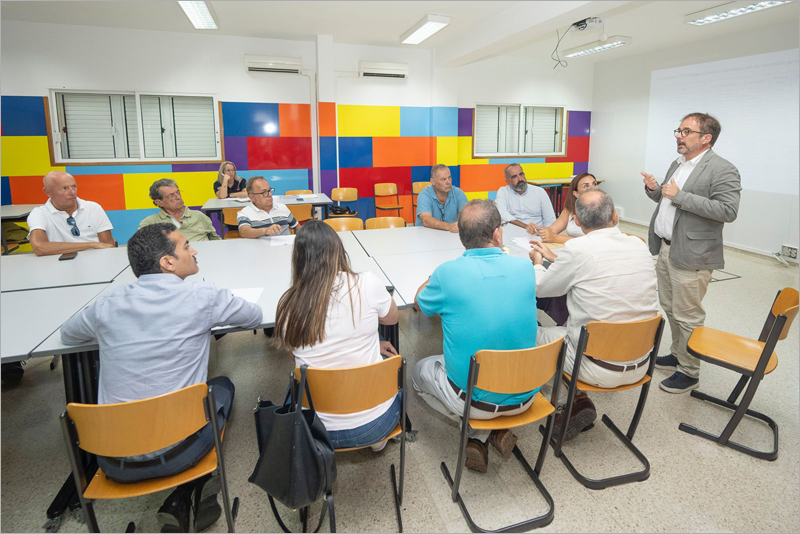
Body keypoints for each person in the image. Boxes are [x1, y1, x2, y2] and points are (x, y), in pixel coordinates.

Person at [60, 223, 262, 533]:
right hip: (180, 453)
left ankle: (184, 497)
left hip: (113, 461)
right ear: (167, 262)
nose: (193, 249)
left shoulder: (107, 303)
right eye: (185, 246)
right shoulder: (202, 296)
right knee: (222, 386)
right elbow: (254, 317)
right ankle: (188, 490)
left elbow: (69, 333)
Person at [413, 199, 538, 473]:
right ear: (497, 234)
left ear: (462, 237)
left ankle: (475, 431)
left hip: (475, 401)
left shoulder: (448, 274)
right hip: (527, 395)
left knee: (418, 371)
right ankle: (494, 432)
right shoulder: (525, 268)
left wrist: (432, 277)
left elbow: (419, 304)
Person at [531, 190, 658, 440]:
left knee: (532, 335)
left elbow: (541, 288)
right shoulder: (639, 245)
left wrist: (537, 261)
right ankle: (577, 398)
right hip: (642, 362)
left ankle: (566, 403)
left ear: (576, 221)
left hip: (597, 366)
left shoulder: (578, 248)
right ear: (615, 216)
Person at [273, 220, 401, 450]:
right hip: (375, 424)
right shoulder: (368, 282)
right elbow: (392, 319)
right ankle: (377, 442)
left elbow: (296, 357)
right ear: (339, 248)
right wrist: (370, 340)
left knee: (296, 379)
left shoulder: (288, 303)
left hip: (313, 428)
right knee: (396, 374)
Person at [642, 112, 741, 394]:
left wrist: (680, 195)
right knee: (671, 308)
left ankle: (690, 372)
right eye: (679, 130)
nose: (678, 136)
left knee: (688, 315)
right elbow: (668, 199)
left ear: (706, 138)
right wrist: (654, 189)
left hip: (693, 254)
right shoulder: (679, 162)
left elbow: (728, 211)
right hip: (666, 247)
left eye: (685, 131)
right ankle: (678, 354)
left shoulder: (723, 169)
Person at [26, 170, 116, 256]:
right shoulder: (39, 214)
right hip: (58, 264)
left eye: (74, 186)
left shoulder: (93, 208)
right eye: (64, 188)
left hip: (96, 260)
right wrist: (92, 245)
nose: (72, 192)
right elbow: (39, 247)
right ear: (48, 192)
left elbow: (108, 245)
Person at [139, 179, 221, 242]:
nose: (178, 197)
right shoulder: (149, 223)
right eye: (171, 196)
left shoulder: (199, 216)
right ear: (159, 202)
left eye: (178, 192)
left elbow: (216, 242)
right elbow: (144, 251)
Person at [533, 173, 598, 244]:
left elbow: (595, 241)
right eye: (586, 186)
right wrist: (536, 229)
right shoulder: (570, 210)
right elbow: (552, 230)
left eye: (594, 184)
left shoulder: (605, 210)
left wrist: (557, 238)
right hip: (572, 250)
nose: (592, 188)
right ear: (576, 194)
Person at [494, 163, 556, 233]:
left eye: (521, 174)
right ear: (508, 181)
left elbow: (550, 220)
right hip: (512, 233)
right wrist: (526, 227)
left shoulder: (539, 192)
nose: (520, 179)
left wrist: (544, 234)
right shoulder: (503, 192)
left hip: (536, 233)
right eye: (514, 177)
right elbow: (502, 213)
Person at [415, 164, 468, 232]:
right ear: (433, 181)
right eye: (443, 179)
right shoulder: (424, 195)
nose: (448, 182)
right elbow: (426, 220)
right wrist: (449, 226)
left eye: (449, 178)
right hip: (427, 236)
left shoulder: (458, 193)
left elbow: (467, 216)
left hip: (450, 237)